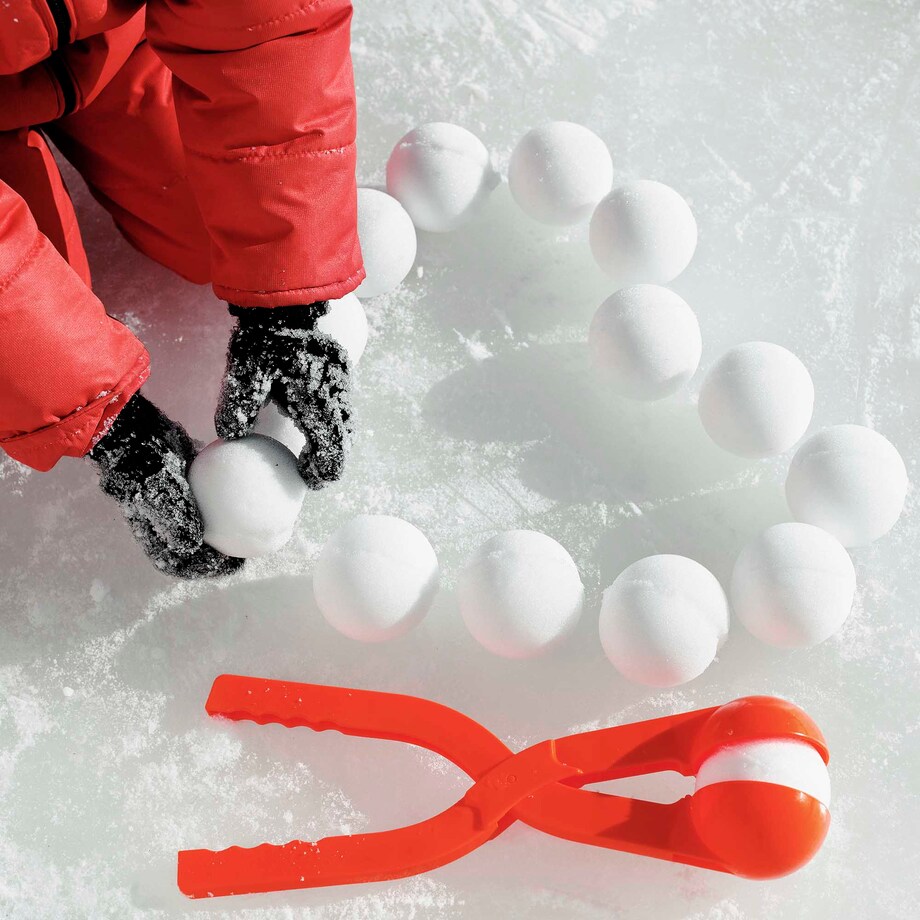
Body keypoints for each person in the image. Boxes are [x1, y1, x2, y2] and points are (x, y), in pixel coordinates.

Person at [0, 0, 364, 577]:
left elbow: (269, 25)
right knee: (52, 324)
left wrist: (289, 294)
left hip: (106, 48)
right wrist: (103, 421)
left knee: (220, 231)